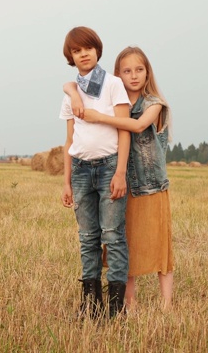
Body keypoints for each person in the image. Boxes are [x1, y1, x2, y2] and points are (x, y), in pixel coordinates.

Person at [63, 46, 174, 312]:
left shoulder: (154, 104)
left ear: (148, 73)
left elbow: (136, 126)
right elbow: (72, 86)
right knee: (125, 242)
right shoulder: (116, 99)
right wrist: (70, 88)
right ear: (117, 75)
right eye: (127, 71)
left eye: (139, 70)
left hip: (150, 184)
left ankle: (167, 303)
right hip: (120, 180)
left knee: (161, 245)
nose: (133, 76)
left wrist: (100, 117)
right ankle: (128, 301)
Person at [59, 26, 131, 320]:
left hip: (109, 167)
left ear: (97, 50)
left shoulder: (113, 85)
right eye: (76, 51)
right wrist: (65, 181)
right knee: (87, 238)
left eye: (87, 48)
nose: (83, 54)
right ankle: (90, 304)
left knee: (113, 236)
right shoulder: (71, 93)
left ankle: (116, 307)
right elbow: (68, 140)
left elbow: (124, 130)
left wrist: (121, 172)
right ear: (71, 57)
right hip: (80, 170)